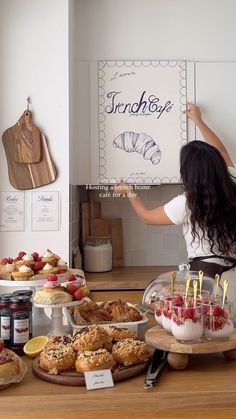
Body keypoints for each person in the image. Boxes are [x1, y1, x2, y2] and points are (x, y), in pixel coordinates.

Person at [114, 103, 236, 277]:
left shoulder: (188, 203)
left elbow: (146, 217)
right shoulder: (232, 180)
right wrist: (199, 121)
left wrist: (128, 192)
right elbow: (222, 151)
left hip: (205, 274)